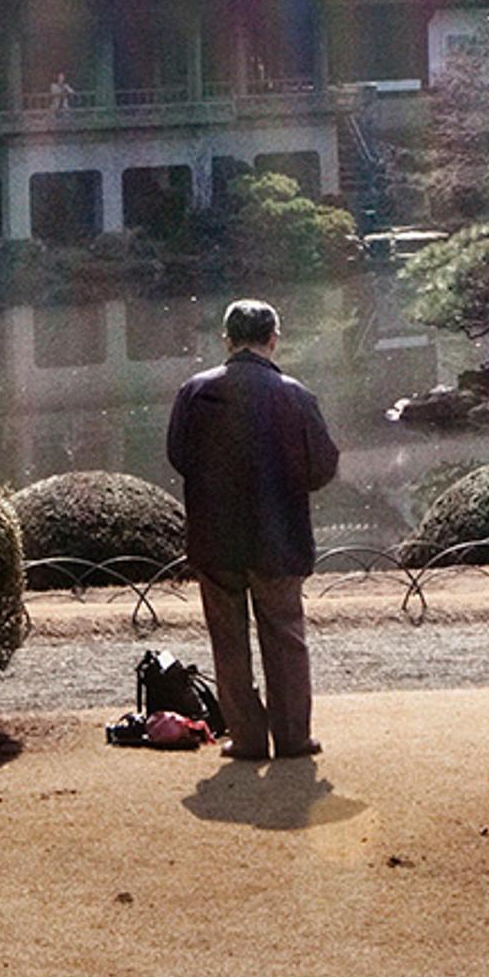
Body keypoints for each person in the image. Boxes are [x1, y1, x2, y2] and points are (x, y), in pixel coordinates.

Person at [165, 298, 341, 760]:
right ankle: (292, 736)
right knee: (285, 636)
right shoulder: (295, 395)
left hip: (216, 536)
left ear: (227, 340)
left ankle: (246, 738)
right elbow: (323, 466)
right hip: (278, 534)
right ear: (273, 339)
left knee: (228, 642)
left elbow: (179, 456)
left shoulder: (196, 392)